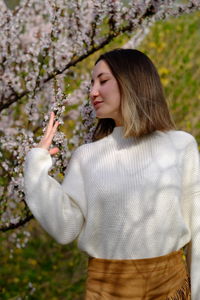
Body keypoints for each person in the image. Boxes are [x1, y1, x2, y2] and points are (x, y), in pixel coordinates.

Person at [24, 48, 200, 299]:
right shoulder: (87, 156)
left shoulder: (180, 146)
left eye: (103, 81)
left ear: (132, 80)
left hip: (170, 287)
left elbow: (197, 228)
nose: (93, 92)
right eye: (92, 83)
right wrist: (36, 167)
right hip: (106, 290)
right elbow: (65, 228)